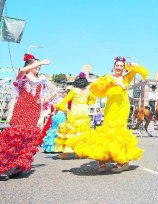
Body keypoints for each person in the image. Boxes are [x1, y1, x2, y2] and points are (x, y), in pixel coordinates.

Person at [70, 56, 149, 173]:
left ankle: (122, 161)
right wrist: (115, 82)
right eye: (117, 65)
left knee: (119, 133)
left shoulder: (127, 77)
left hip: (123, 107)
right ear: (113, 67)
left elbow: (144, 72)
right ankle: (102, 158)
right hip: (110, 108)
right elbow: (97, 88)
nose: (119, 67)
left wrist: (133, 65)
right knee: (106, 132)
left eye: (121, 66)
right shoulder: (107, 78)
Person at [0, 53, 60, 181]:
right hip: (22, 109)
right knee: (15, 137)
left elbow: (54, 92)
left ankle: (18, 166)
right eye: (34, 64)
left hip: (34, 111)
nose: (38, 67)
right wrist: (40, 62)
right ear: (29, 65)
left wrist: (42, 101)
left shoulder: (41, 80)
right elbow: (22, 70)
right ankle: (3, 168)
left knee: (28, 139)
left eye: (38, 65)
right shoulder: (24, 78)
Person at [54, 72, 96, 159]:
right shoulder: (88, 91)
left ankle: (66, 153)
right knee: (81, 133)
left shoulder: (74, 90)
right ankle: (79, 153)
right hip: (84, 112)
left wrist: (64, 109)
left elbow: (64, 101)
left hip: (74, 112)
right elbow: (91, 101)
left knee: (71, 132)